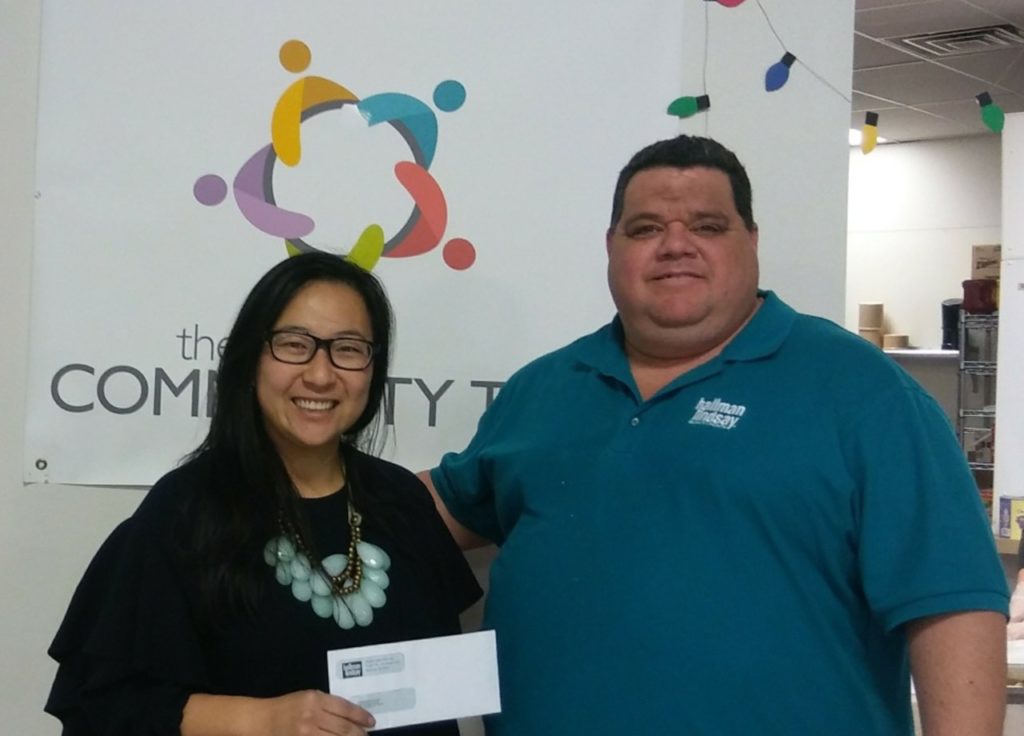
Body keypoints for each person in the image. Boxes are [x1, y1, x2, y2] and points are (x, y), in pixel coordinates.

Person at [422, 135, 1010, 735]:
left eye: (707, 226)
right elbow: (433, 509)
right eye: (646, 228)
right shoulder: (543, 387)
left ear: (751, 241)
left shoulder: (863, 392)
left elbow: (953, 602)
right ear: (610, 246)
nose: (676, 245)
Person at [46, 253, 482, 735]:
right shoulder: (185, 510)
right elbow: (105, 705)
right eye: (295, 345)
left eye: (348, 349)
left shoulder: (403, 500)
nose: (321, 375)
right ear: (251, 359)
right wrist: (262, 719)